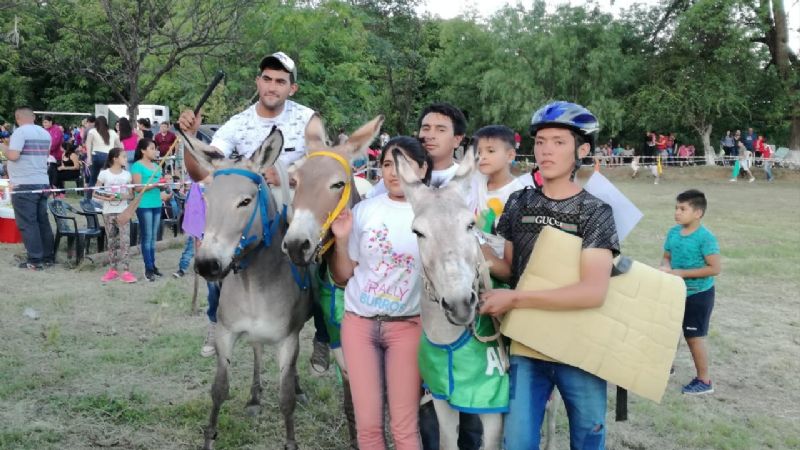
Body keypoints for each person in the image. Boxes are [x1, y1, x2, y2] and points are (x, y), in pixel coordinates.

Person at [479, 101, 619, 449]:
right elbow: (510, 268)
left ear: (581, 150)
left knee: (587, 440)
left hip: (579, 347)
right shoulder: (519, 203)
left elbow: (593, 291)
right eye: (540, 141)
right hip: (528, 344)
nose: (546, 150)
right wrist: (471, 248)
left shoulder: (595, 212)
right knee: (518, 442)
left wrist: (515, 298)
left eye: (558, 142)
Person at [178, 51, 329, 362]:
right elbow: (201, 171)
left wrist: (288, 175)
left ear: (292, 88)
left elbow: (324, 166)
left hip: (295, 204)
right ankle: (215, 319)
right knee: (216, 248)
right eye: (267, 79)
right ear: (257, 81)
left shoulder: (308, 119)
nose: (272, 86)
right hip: (248, 208)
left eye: (280, 81)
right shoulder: (238, 123)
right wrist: (189, 138)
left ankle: (323, 334)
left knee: (323, 259)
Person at [330, 136, 431, 450]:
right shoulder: (364, 211)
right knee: (369, 428)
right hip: (359, 325)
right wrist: (342, 240)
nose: (393, 172)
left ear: (423, 168)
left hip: (408, 327)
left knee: (404, 428)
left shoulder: (432, 213)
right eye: (387, 164)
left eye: (404, 164)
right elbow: (342, 276)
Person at [660, 189, 721, 395]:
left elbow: (715, 268)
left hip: (699, 295)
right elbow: (666, 257)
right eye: (676, 208)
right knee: (670, 331)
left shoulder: (705, 238)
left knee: (694, 337)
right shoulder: (673, 233)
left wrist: (683, 273)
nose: (677, 212)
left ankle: (704, 380)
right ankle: (667, 367)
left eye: (683, 209)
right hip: (676, 291)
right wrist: (665, 267)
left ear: (698, 213)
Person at [0, 106, 55, 270]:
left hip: (24, 184)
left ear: (18, 118)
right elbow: (46, 156)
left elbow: (13, 155)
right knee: (42, 221)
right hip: (42, 181)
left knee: (28, 223)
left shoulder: (20, 132)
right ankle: (48, 257)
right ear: (34, 117)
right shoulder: (45, 133)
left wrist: (3, 148)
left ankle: (35, 259)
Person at [94, 148, 137, 283]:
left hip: (123, 212)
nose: (126, 159)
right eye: (123, 156)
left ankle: (126, 271)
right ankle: (112, 270)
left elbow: (131, 194)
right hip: (108, 212)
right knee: (111, 241)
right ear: (115, 158)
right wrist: (107, 197)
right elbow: (95, 192)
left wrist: (120, 196)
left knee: (125, 241)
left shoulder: (127, 175)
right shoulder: (104, 174)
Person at [130, 138, 164, 281]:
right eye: (151, 148)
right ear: (143, 150)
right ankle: (148, 268)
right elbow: (137, 188)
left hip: (157, 203)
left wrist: (164, 185)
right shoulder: (137, 166)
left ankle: (152, 265)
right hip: (144, 204)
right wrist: (155, 185)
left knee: (153, 237)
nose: (155, 151)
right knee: (147, 236)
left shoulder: (157, 166)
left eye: (155, 148)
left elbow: (161, 186)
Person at [86, 116, 122, 189]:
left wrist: (89, 156)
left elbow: (88, 143)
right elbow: (120, 146)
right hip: (109, 157)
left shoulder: (92, 131)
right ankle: (107, 193)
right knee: (108, 178)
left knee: (93, 178)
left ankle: (90, 195)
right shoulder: (112, 132)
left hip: (96, 156)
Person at [42, 115, 64, 189]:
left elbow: (54, 144)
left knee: (54, 175)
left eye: (46, 122)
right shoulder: (44, 130)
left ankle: (57, 190)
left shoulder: (56, 130)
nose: (44, 124)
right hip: (46, 156)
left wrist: (44, 150)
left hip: (56, 157)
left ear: (51, 122)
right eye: (43, 122)